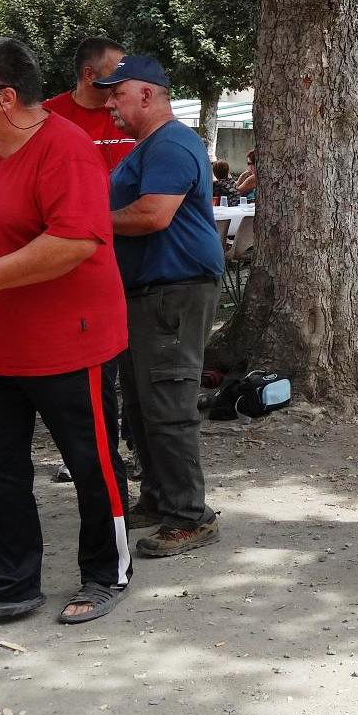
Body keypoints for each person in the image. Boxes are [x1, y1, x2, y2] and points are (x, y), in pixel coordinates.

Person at [0, 37, 131, 629]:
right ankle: (11, 585)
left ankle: (106, 573)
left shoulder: (64, 149)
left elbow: (74, 240)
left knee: (91, 463)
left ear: (7, 96)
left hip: (71, 340)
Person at [101, 55, 225, 557]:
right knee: (144, 401)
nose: (109, 103)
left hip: (172, 292)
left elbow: (153, 215)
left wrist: (86, 220)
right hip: (150, 293)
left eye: (117, 93)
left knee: (168, 403)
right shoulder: (153, 146)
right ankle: (159, 497)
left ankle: (190, 516)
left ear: (147, 95)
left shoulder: (171, 143)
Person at [42, 36, 136, 483]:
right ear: (88, 74)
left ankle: (133, 446)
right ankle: (89, 451)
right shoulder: (49, 115)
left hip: (131, 255)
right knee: (88, 362)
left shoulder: (128, 115)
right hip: (73, 259)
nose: (122, 83)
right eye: (115, 72)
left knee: (134, 357)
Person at [42, 36, 136, 172]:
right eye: (117, 74)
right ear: (89, 74)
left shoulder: (134, 110)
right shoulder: (46, 116)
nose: (125, 80)